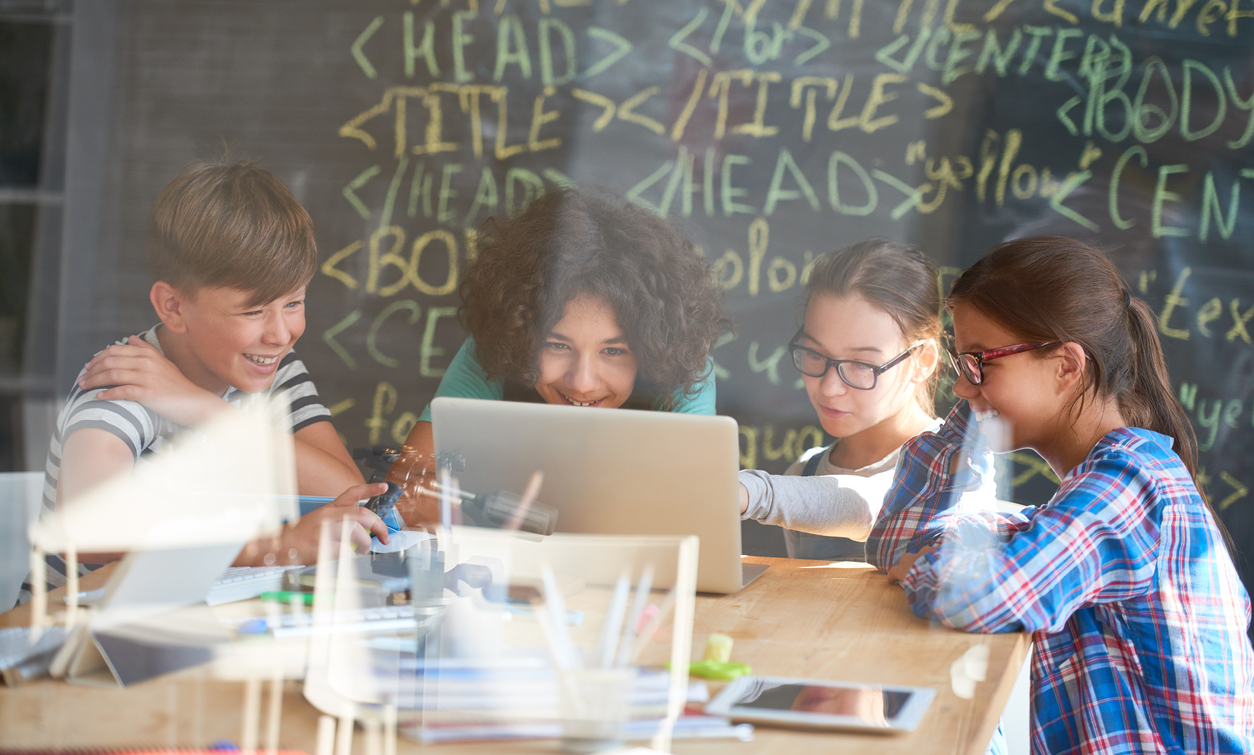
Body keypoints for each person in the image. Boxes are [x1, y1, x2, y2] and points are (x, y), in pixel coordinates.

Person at [871, 236, 1254, 752]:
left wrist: (929, 563)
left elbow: (985, 595)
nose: (960, 388)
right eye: (961, 366)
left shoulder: (1130, 484)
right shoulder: (1082, 500)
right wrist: (979, 404)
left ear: (1067, 367)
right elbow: (897, 546)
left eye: (980, 362)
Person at [18, 160, 388, 605]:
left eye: (294, 303)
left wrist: (204, 410)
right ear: (173, 307)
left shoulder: (273, 368)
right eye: (253, 311)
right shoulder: (122, 385)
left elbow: (345, 493)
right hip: (74, 633)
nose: (280, 333)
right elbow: (87, 531)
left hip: (192, 623)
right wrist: (272, 547)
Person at [386, 185, 725, 518]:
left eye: (613, 351)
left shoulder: (679, 363)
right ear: (519, 334)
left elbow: (700, 507)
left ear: (653, 347)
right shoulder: (496, 349)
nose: (582, 383)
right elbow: (407, 493)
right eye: (558, 345)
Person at [738, 239, 949, 560]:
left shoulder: (956, 467)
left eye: (862, 364)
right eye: (814, 353)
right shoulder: (804, 473)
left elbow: (871, 504)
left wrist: (752, 492)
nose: (829, 387)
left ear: (923, 361)